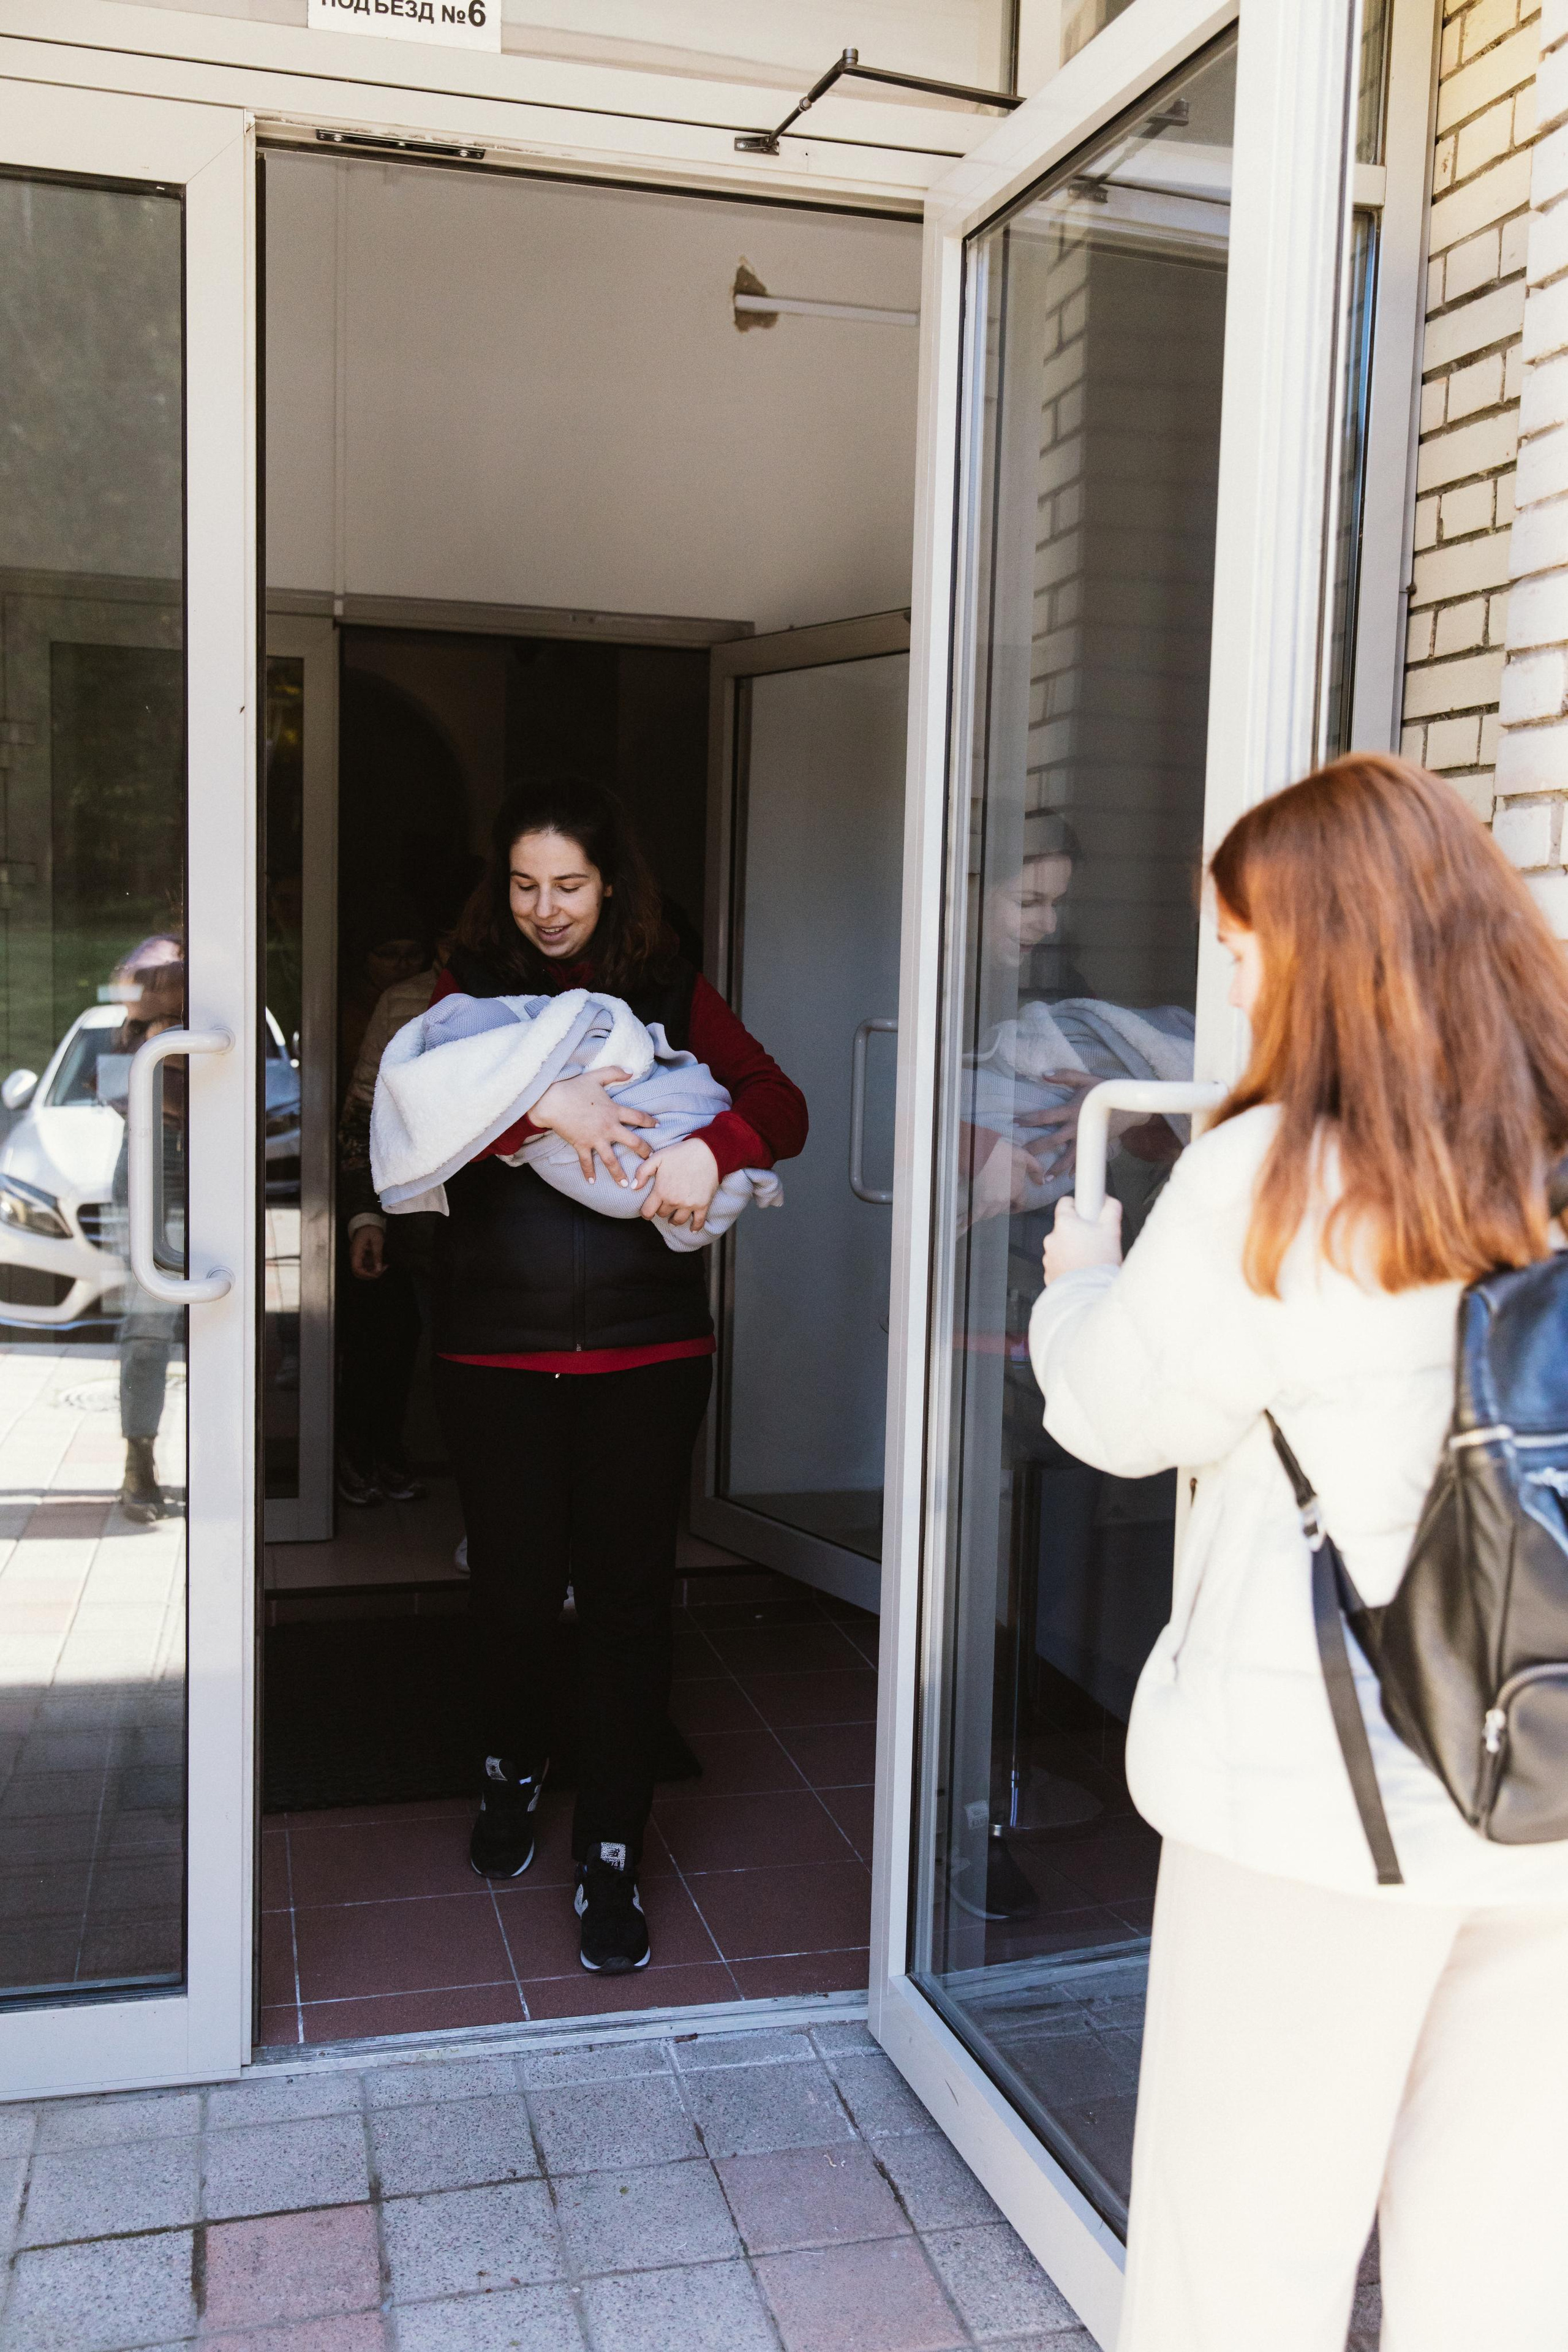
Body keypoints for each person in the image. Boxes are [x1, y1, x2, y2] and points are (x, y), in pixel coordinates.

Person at [1030, 754, 1568, 2352]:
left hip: (1323, 1807)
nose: (1241, 987)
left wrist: (1077, 1279)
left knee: (1242, 2265)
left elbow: (1120, 1415)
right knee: (1503, 2264)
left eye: (1249, 954)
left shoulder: (1277, 1182)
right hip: (1546, 1783)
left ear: (1325, 956)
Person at [430, 776, 806, 1972]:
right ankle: (508, 1774)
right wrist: (536, 1110)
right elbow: (413, 1115)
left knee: (629, 1601)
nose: (546, 910)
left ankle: (609, 1852)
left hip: (649, 1349)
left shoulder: (668, 989)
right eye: (526, 886)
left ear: (611, 885)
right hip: (497, 1344)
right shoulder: (466, 996)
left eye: (570, 887)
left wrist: (713, 1149)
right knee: (513, 1592)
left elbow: (779, 1103)